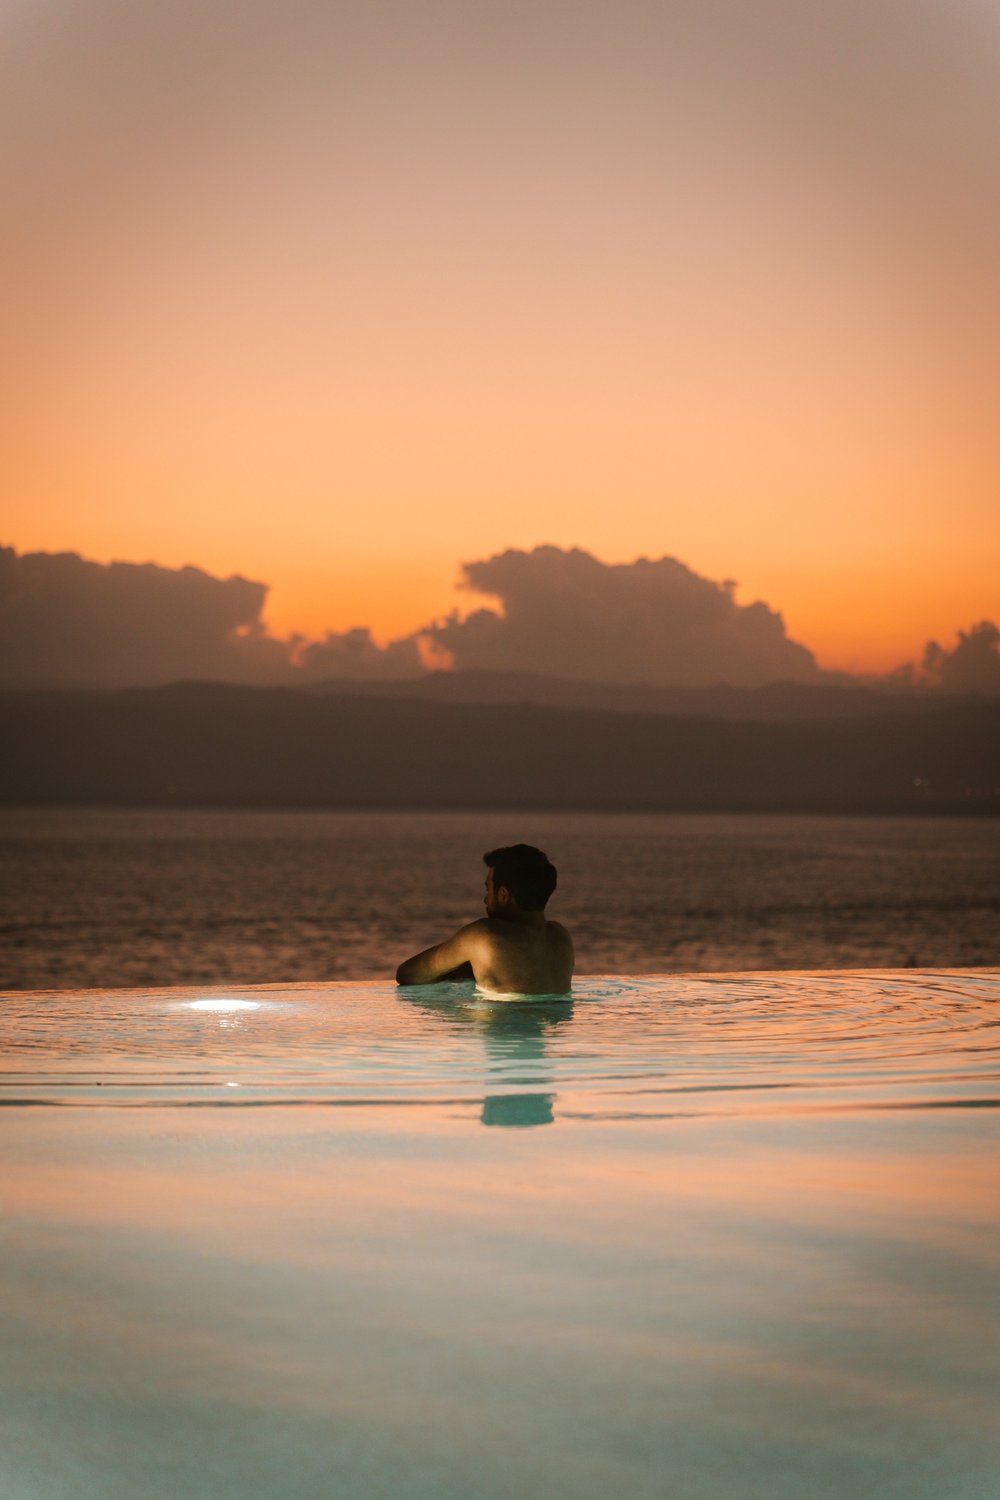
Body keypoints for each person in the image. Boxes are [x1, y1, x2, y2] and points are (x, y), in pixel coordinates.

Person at [395, 844, 574, 996]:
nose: (485, 900)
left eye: (488, 890)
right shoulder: (561, 937)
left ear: (503, 895)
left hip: (503, 1024)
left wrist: (461, 962)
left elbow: (407, 974)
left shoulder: (483, 936)